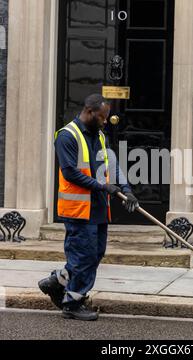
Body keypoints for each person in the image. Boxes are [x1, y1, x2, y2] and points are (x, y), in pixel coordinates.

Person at [38, 94, 139, 321]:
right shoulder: (67, 136)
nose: (105, 121)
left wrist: (126, 189)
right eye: (102, 117)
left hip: (98, 208)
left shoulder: (100, 136)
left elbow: (111, 164)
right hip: (77, 209)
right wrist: (104, 187)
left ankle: (57, 281)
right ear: (90, 112)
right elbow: (71, 173)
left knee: (95, 254)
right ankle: (72, 302)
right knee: (82, 256)